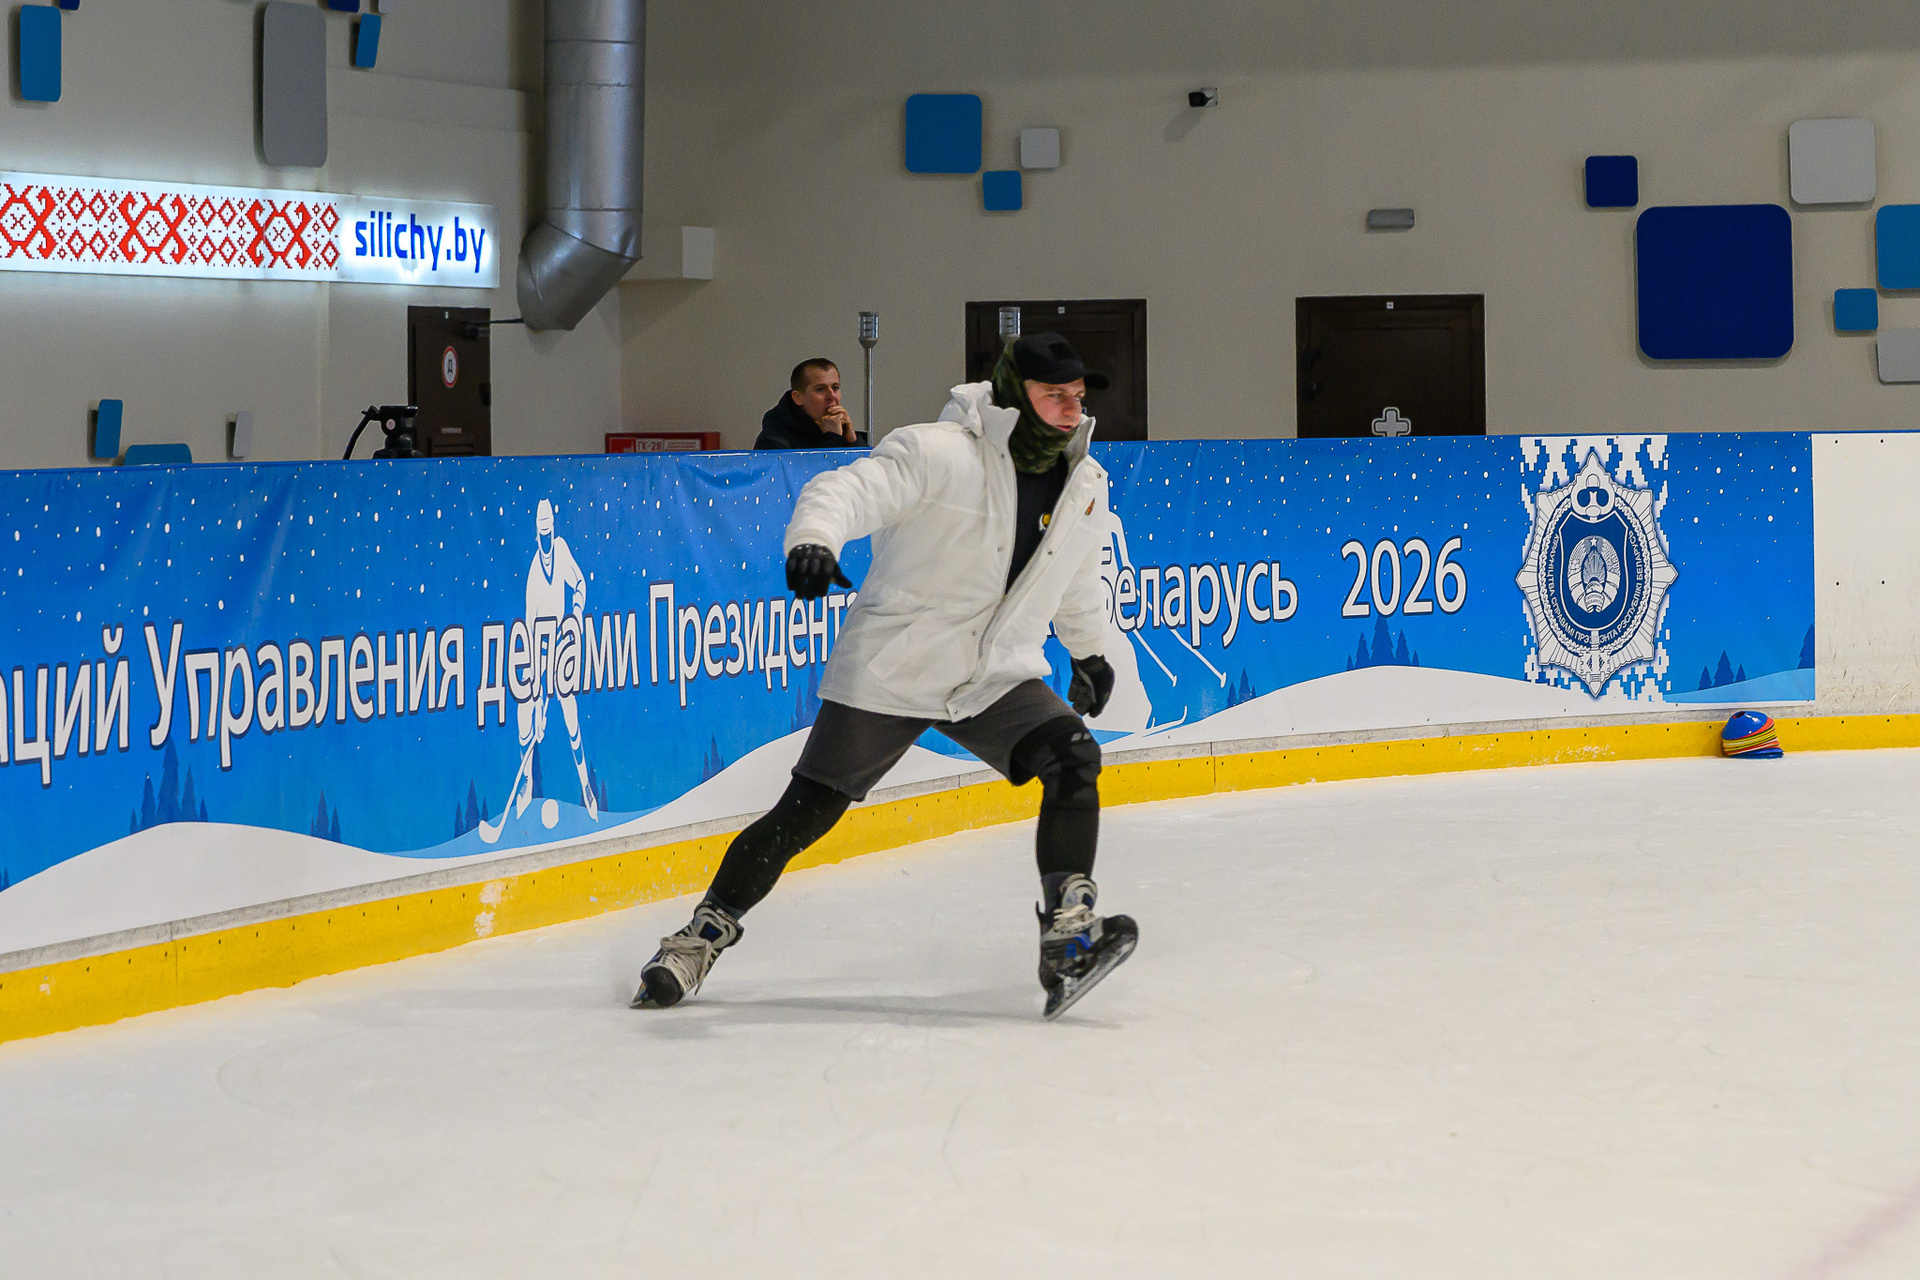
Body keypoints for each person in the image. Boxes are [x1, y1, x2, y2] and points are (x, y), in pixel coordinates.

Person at [633, 333, 1135, 1020]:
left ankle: (1066, 940)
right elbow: (842, 490)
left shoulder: (1085, 482)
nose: (1073, 410)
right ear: (1015, 396)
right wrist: (813, 542)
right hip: (898, 664)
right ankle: (698, 938)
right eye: (1056, 396)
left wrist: (1089, 652)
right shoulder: (939, 452)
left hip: (993, 673)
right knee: (806, 813)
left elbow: (1074, 576)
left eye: (1077, 396)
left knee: (1073, 757)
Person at [754, 358, 866, 450]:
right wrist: (832, 438)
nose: (832, 396)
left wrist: (853, 441)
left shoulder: (839, 430)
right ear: (797, 398)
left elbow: (866, 469)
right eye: (820, 389)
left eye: (835, 388)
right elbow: (813, 470)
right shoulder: (772, 441)